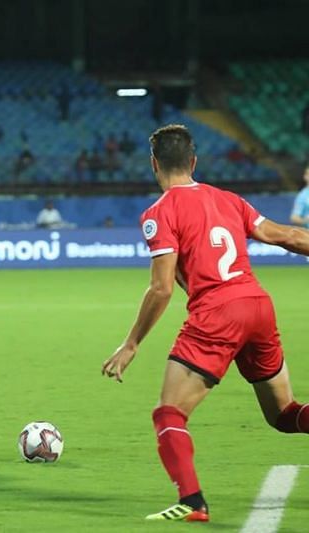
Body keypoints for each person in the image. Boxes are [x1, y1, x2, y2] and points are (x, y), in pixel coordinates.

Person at [101, 124, 309, 522]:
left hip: (217, 314)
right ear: (194, 162)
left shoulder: (159, 213)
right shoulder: (228, 199)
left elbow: (161, 289)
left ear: (153, 165)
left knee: (169, 414)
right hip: (258, 306)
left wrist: (130, 344)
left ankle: (193, 501)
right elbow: (286, 235)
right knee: (285, 414)